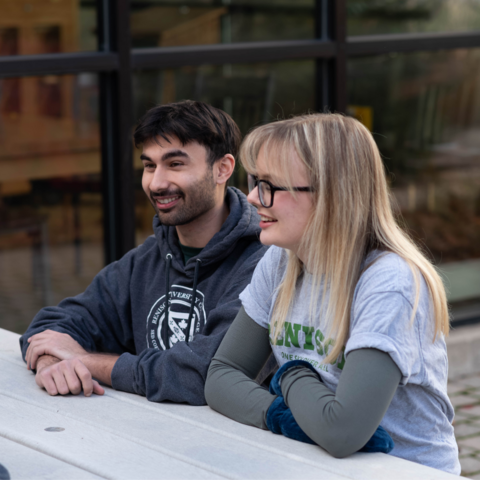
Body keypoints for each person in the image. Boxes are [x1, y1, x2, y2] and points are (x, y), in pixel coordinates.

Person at [205, 113, 460, 474]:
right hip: (319, 465)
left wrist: (290, 375)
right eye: (255, 181)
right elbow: (221, 376)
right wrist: (280, 415)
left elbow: (343, 432)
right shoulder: (280, 261)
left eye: (270, 186)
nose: (251, 197)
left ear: (330, 195)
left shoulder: (389, 281)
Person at [20, 100, 268, 405]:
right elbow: (53, 325)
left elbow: (203, 375)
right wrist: (51, 363)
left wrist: (84, 361)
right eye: (149, 165)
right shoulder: (148, 258)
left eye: (175, 164)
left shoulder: (263, 261)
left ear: (222, 169)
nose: (157, 182)